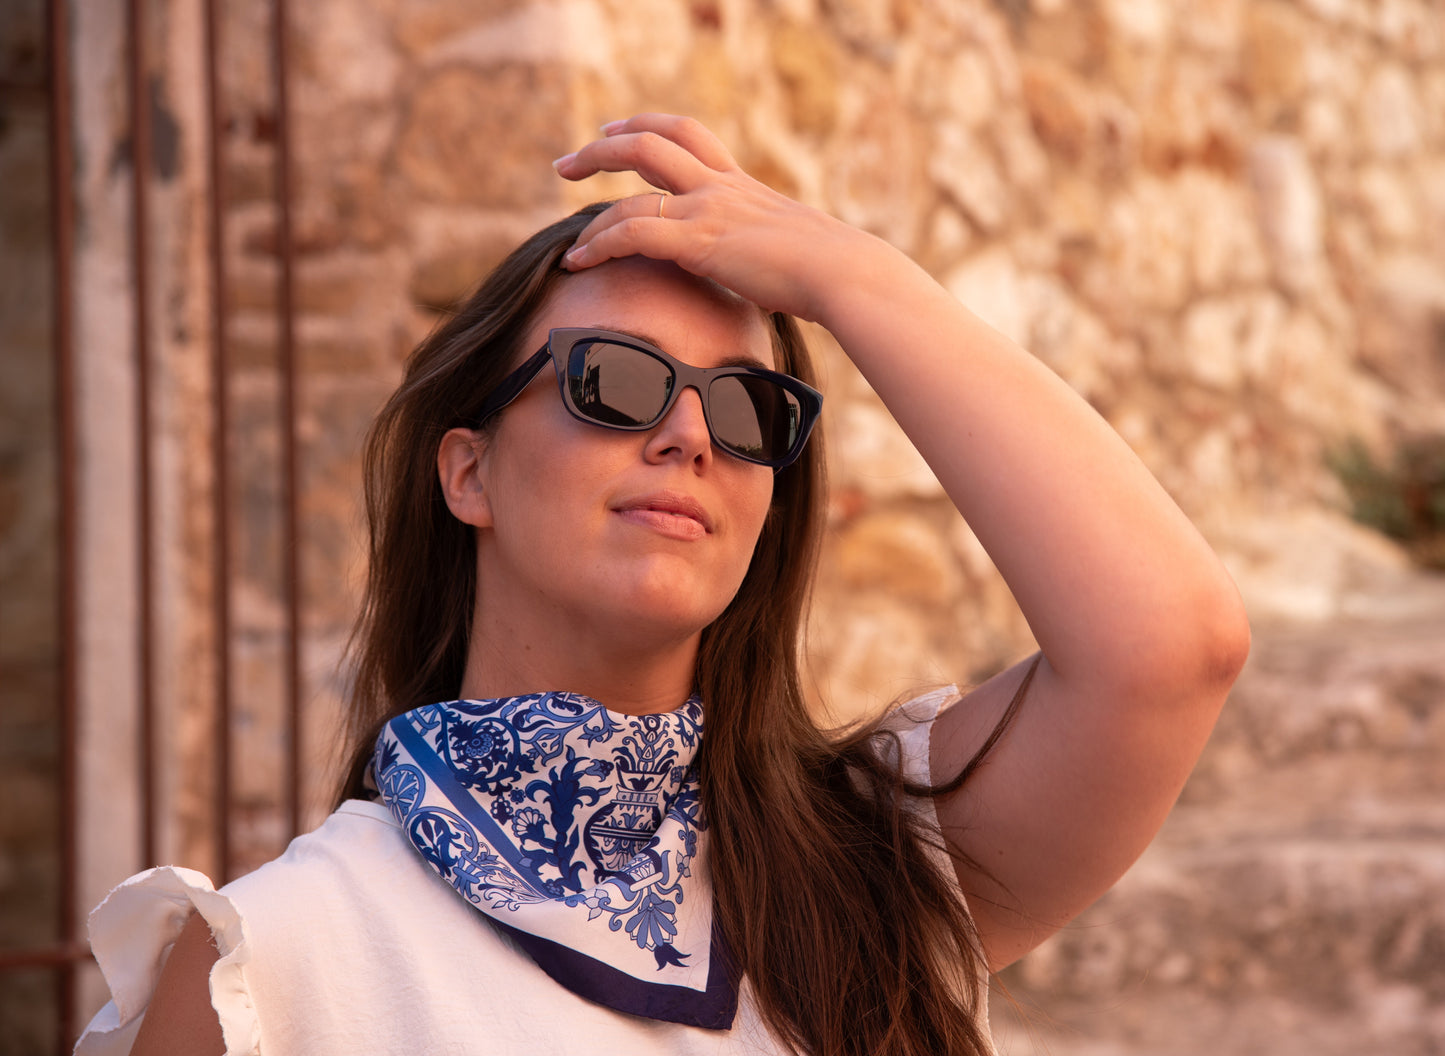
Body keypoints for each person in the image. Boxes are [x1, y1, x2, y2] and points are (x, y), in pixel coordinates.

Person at [76, 114, 1250, 1056]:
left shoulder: (872, 866)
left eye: (748, 408)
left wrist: (853, 279)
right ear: (468, 470)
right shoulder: (280, 965)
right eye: (613, 380)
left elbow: (1169, 648)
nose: (691, 434)